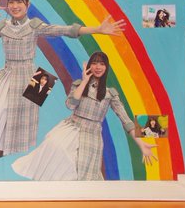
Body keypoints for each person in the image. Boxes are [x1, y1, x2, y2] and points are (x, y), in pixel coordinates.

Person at [0, 0, 125, 159]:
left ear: (27, 4)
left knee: (15, 115)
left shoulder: (34, 25)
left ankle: (1, 147)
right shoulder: (3, 25)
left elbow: (63, 30)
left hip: (31, 75)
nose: (15, 6)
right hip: (8, 72)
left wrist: (97, 29)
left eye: (19, 2)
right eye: (11, 2)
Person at [12, 51, 158, 180]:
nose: (98, 67)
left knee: (84, 175)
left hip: (92, 136)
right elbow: (70, 105)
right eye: (94, 63)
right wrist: (85, 81)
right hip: (71, 129)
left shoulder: (110, 94)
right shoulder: (78, 85)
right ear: (89, 66)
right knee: (55, 148)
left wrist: (141, 144)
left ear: (106, 68)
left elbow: (126, 120)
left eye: (102, 64)